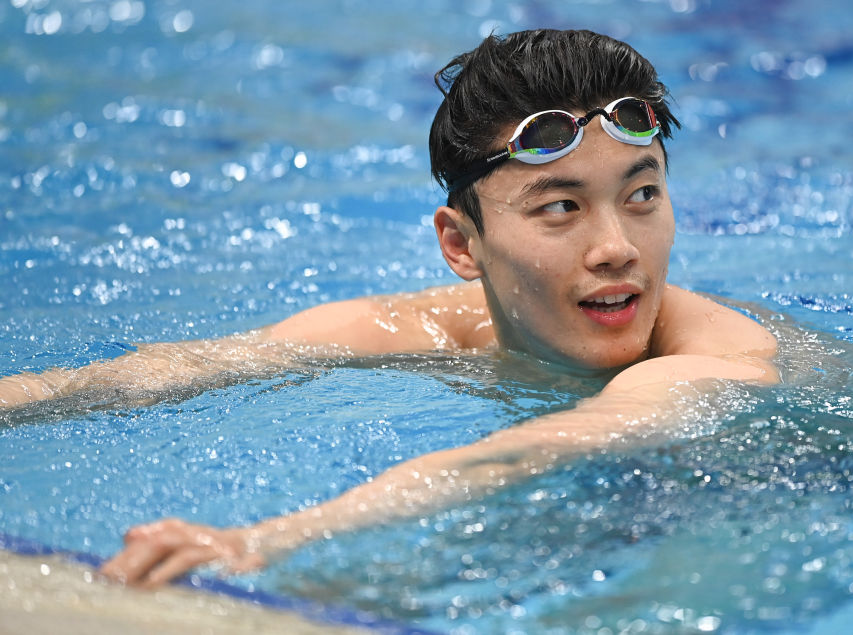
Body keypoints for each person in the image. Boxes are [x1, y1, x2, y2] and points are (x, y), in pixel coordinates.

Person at [0, 29, 777, 587]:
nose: (616, 247)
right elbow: (168, 371)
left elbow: (543, 446)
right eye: (560, 208)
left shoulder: (716, 359)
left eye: (642, 195)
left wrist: (265, 538)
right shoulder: (429, 327)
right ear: (461, 244)